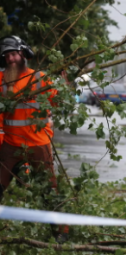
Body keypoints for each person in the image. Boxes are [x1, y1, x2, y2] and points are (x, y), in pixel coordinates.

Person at [0, 35, 68, 241]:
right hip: (11, 145)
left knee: (50, 189)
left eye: (13, 54)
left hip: (39, 144)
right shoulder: (1, 81)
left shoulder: (40, 78)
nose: (10, 59)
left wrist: (65, 86)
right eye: (6, 56)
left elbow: (58, 103)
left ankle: (61, 233)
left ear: (23, 54)